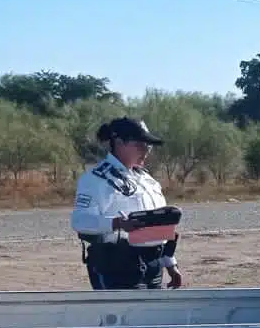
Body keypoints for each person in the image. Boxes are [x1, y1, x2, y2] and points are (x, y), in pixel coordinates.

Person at [71, 117, 184, 290]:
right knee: (124, 316)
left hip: (153, 266)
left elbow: (157, 224)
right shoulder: (96, 179)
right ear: (119, 142)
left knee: (153, 316)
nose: (146, 150)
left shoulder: (146, 180)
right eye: (140, 144)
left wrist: (170, 263)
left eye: (149, 146)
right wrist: (118, 224)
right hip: (116, 266)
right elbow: (80, 221)